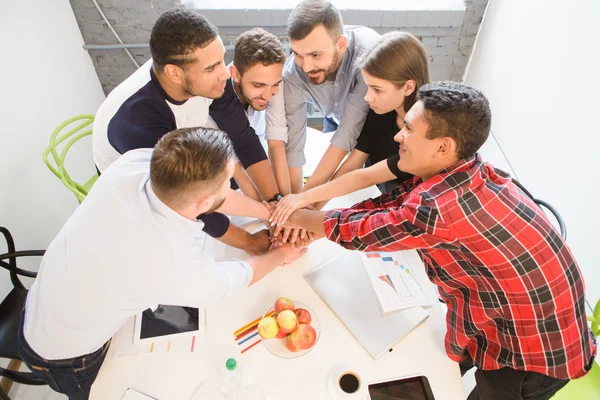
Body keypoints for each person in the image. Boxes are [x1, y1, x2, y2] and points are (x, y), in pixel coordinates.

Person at [278, 82, 597, 400]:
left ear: (443, 146)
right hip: (519, 312)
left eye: (408, 130)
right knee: (435, 371)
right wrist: (311, 224)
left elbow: (367, 232)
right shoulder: (462, 168)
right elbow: (389, 209)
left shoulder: (440, 207)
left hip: (536, 352)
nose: (397, 136)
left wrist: (293, 216)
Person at [18, 127, 306, 400]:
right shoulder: (167, 258)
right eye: (226, 184)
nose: (230, 191)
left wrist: (271, 213)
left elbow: (208, 196)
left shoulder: (141, 163)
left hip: (46, 299)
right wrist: (281, 255)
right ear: (203, 201)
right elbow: (229, 280)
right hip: (62, 355)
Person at [92, 8, 282, 254]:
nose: (225, 73)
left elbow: (243, 138)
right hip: (133, 190)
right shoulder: (137, 122)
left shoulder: (208, 76)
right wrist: (250, 242)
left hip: (181, 157)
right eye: (212, 67)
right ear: (174, 73)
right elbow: (189, 198)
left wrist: (274, 203)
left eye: (222, 59)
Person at [269, 31, 430, 224]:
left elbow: (365, 177)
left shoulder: (425, 133)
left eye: (377, 90)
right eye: (368, 87)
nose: (367, 97)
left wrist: (304, 203)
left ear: (408, 87)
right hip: (381, 195)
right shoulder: (379, 113)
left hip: (414, 211)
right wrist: (307, 210)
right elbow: (352, 165)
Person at [268, 0, 380, 195]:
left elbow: (347, 134)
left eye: (316, 55)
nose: (306, 67)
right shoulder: (294, 74)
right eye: (298, 54)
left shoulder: (368, 58)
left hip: (372, 124)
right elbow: (294, 146)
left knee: (364, 186)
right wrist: (294, 198)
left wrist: (307, 200)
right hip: (333, 116)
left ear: (341, 44)